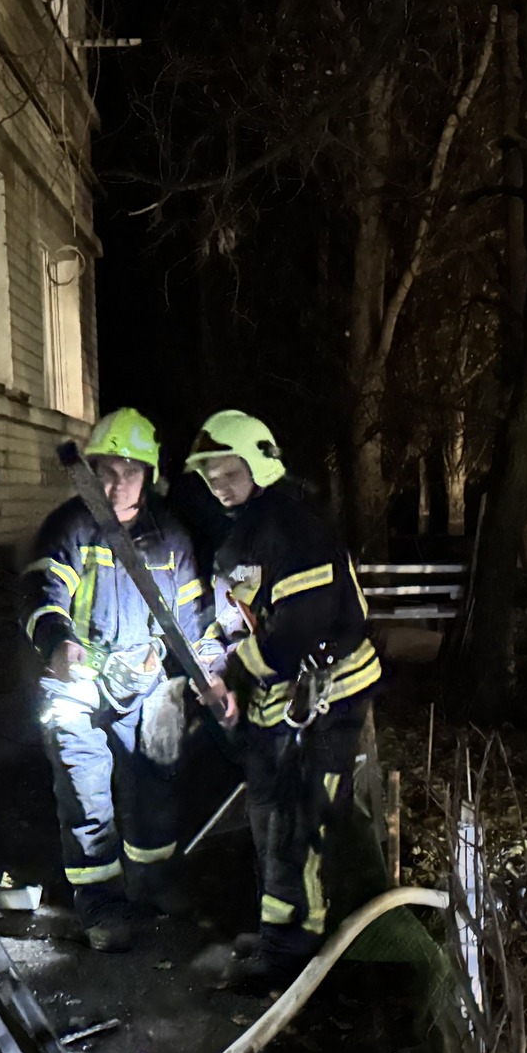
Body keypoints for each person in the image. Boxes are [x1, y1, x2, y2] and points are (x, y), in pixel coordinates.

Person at [184, 410, 383, 996]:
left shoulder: (294, 528)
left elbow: (299, 630)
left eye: (228, 469)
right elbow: (229, 618)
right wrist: (213, 664)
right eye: (210, 474)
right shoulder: (240, 532)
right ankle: (278, 932)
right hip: (282, 707)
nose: (218, 482)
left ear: (259, 465)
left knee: (299, 825)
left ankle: (295, 955)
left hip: (328, 702)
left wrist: (232, 671)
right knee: (270, 817)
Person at [20, 407, 229, 952]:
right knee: (88, 801)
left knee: (155, 787)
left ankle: (152, 886)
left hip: (149, 682)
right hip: (80, 687)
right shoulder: (69, 526)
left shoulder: (171, 539)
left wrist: (210, 673)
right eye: (104, 470)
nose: (114, 484)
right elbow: (43, 596)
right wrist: (57, 643)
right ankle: (101, 908)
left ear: (148, 474)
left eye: (126, 471)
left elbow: (195, 621)